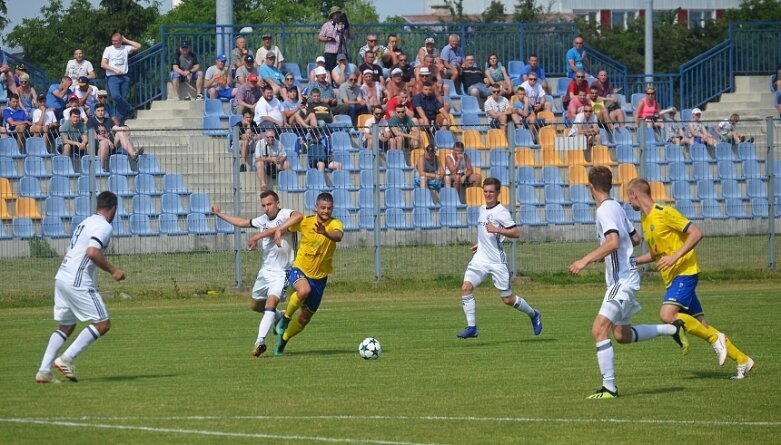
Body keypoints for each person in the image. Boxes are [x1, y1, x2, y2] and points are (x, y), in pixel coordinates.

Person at [568, 166, 683, 399]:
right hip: (625, 277)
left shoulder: (604, 211)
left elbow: (613, 242)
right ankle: (672, 329)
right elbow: (635, 238)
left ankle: (609, 387)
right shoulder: (617, 207)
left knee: (599, 330)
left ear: (591, 187)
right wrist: (610, 256)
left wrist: (585, 260)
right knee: (622, 335)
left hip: (621, 281)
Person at [627, 178, 755, 379]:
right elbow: (656, 253)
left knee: (667, 315)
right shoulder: (645, 220)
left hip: (685, 273)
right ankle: (743, 360)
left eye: (628, 198)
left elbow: (696, 233)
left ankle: (716, 339)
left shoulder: (664, 212)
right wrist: (632, 262)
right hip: (673, 278)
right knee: (701, 325)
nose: (628, 203)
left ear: (635, 195)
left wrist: (675, 256)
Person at [35, 191, 125, 383]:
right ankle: (66, 359)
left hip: (62, 276)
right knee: (103, 323)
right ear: (114, 209)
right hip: (77, 280)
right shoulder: (103, 226)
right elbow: (92, 252)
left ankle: (44, 371)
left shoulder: (86, 222)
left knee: (66, 326)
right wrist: (113, 270)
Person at [212, 192, 303, 357]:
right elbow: (242, 223)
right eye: (263, 205)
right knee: (255, 306)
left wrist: (265, 234)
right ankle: (279, 315)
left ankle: (259, 342)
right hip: (265, 271)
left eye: (269, 204)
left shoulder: (285, 215)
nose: (266, 208)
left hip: (283, 272)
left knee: (271, 302)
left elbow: (299, 216)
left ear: (277, 203)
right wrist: (220, 214)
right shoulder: (262, 219)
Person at [457, 177, 543, 340]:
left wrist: (497, 229)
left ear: (497, 193)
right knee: (466, 288)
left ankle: (533, 314)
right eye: (486, 191)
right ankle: (472, 327)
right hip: (481, 259)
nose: (488, 194)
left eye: (491, 192)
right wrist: (480, 244)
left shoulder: (501, 212)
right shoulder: (482, 208)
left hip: (497, 261)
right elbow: (485, 232)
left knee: (507, 299)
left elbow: (516, 233)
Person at [274, 192, 343, 355]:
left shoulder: (335, 224)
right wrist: (277, 231)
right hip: (299, 269)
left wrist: (324, 232)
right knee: (304, 290)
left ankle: (284, 339)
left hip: (320, 278)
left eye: (329, 208)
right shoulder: (305, 222)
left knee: (304, 319)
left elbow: (338, 236)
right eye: (323, 208)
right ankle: (285, 319)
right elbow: (287, 225)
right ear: (316, 207)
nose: (326, 211)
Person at [101, 33, 142, 121]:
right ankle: (130, 109)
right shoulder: (108, 49)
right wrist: (114, 70)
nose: (114, 42)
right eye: (113, 41)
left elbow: (138, 46)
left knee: (122, 99)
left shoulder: (125, 48)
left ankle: (119, 120)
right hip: (112, 77)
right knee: (116, 96)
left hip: (124, 77)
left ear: (120, 40)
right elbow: (103, 64)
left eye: (116, 41)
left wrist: (126, 40)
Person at [318, 6, 353, 72]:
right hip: (330, 52)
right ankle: (330, 82)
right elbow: (320, 37)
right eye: (335, 14)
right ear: (332, 15)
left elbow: (352, 36)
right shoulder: (327, 25)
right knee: (330, 70)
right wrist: (327, 39)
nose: (337, 15)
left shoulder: (344, 25)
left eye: (338, 13)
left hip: (342, 52)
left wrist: (348, 25)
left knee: (344, 70)